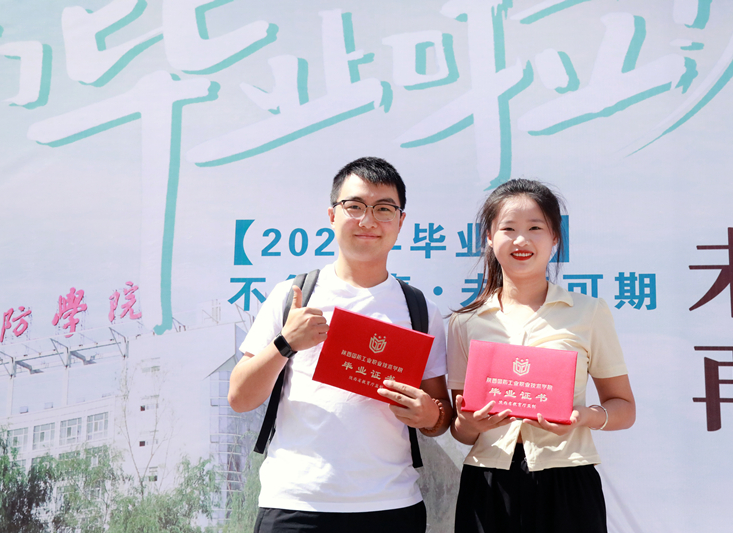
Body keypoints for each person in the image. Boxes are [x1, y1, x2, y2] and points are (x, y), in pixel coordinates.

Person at [228, 157, 453, 533]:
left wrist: (430, 416)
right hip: (295, 505)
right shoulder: (293, 295)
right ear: (332, 216)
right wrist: (286, 343)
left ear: (400, 222)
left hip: (391, 506)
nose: (368, 221)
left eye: (384, 209)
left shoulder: (419, 308)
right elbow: (239, 398)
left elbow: (441, 415)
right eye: (355, 206)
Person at [447, 179, 636, 533]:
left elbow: (624, 407)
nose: (521, 240)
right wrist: (471, 424)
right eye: (508, 228)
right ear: (489, 238)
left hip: (568, 482)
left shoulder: (588, 312)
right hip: (488, 483)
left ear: (555, 238)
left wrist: (584, 417)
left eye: (535, 228)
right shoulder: (465, 322)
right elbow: (462, 429)